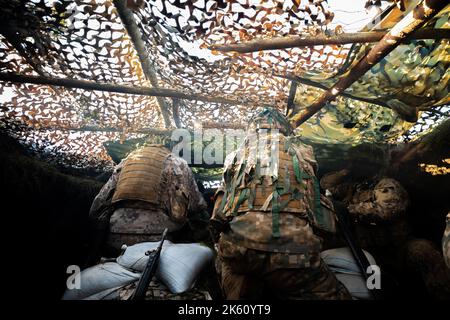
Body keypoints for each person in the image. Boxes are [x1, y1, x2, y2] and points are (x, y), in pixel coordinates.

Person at [210, 107, 351, 300]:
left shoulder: (234, 156)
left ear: (252, 128)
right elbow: (316, 211)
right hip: (291, 253)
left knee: (226, 264)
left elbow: (219, 214)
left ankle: (239, 289)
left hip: (238, 250)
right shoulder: (302, 152)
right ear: (284, 128)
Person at [321, 145, 450, 299]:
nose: (356, 165)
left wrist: (348, 209)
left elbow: (385, 211)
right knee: (375, 288)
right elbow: (326, 185)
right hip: (372, 255)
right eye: (355, 162)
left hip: (399, 249)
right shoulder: (353, 187)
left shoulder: (386, 184)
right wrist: (347, 171)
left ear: (371, 165)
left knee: (422, 250)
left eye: (360, 162)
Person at [87, 143, 210, 264]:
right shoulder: (179, 163)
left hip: (115, 241)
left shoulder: (126, 162)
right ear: (170, 149)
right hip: (158, 241)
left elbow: (97, 206)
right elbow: (197, 206)